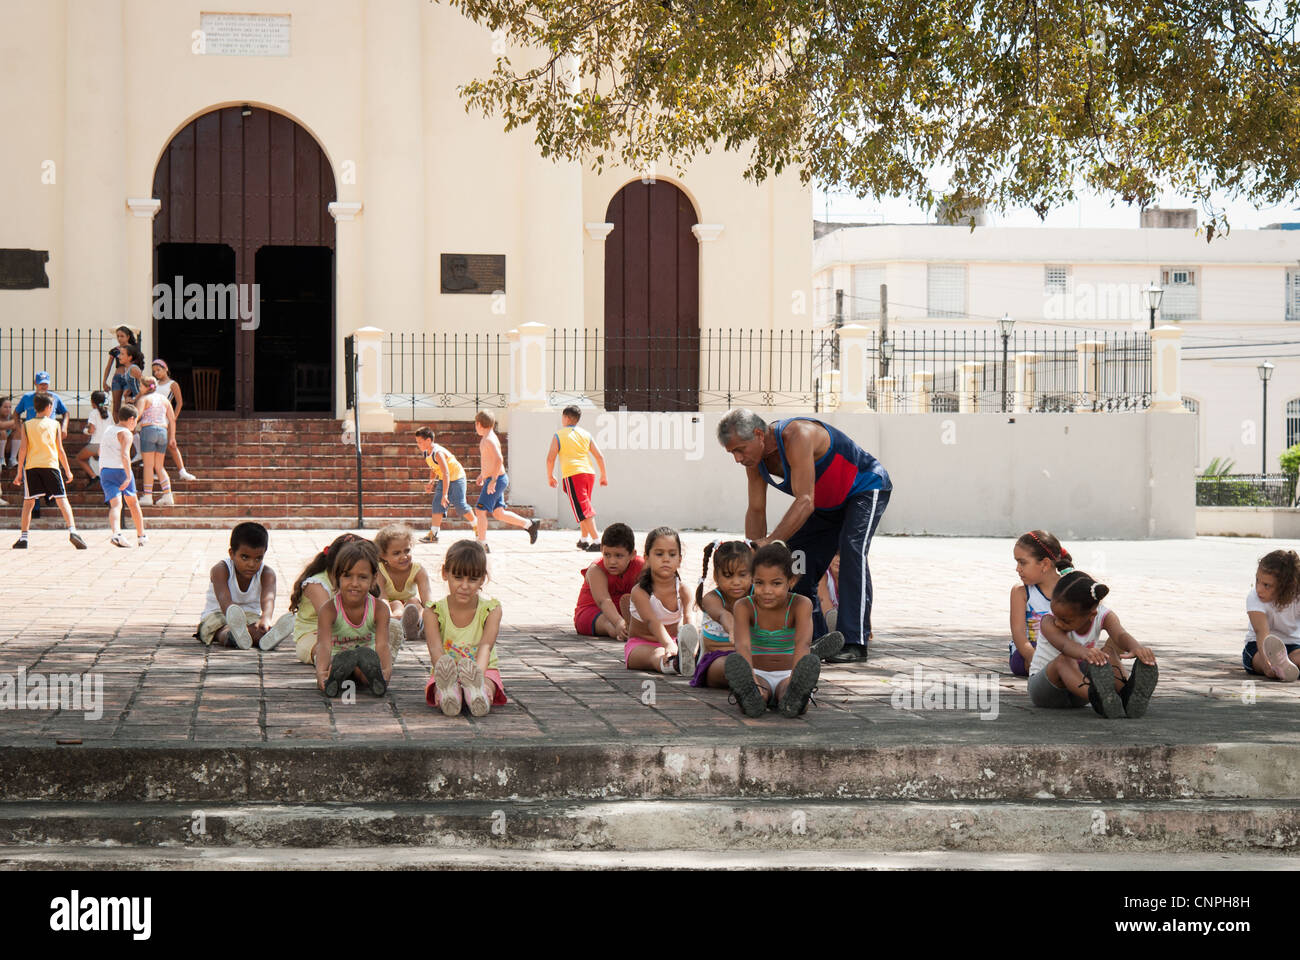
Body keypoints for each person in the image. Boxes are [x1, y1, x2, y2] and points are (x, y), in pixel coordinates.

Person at [717, 409, 890, 663]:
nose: (737, 458)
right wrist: (753, 553)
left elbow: (805, 501)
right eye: (732, 453)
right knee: (797, 560)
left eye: (740, 450)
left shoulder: (798, 435)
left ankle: (854, 641)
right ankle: (818, 637)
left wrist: (771, 541)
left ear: (758, 434)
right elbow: (756, 508)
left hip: (864, 488)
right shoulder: (755, 461)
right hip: (826, 505)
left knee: (852, 549)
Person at [1031, 570, 1158, 718]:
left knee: (1108, 654)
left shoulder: (1104, 615)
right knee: (1064, 659)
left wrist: (1136, 647)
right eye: (1055, 614)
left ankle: (1125, 695)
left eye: (1065, 620)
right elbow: (1065, 645)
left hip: (1079, 689)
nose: (1058, 623)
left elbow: (1120, 634)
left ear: (1092, 614)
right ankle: (1099, 699)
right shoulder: (1048, 621)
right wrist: (1085, 652)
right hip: (1045, 690)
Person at [724, 542, 823, 717]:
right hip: (757, 673)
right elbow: (743, 646)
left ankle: (796, 696)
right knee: (758, 695)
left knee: (788, 692)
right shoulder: (744, 606)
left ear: (791, 581)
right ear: (752, 579)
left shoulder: (801, 605)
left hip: (788, 674)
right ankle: (751, 696)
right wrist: (753, 681)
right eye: (759, 583)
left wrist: (794, 680)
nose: (767, 590)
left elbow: (803, 644)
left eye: (776, 583)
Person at [426, 539, 508, 717]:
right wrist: (449, 675)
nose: (464, 586)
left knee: (488, 684)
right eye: (458, 577)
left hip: (483, 669)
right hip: (446, 672)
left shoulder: (491, 610)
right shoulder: (433, 611)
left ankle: (478, 693)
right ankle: (450, 693)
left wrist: (478, 677)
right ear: (445, 573)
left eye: (472, 579)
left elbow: (486, 646)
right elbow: (435, 650)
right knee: (439, 686)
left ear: (482, 579)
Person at [194, 522, 294, 651]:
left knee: (258, 629)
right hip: (218, 614)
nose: (251, 564)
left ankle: (266, 637)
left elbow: (268, 599)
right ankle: (233, 636)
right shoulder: (221, 569)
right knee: (221, 630)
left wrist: (265, 619)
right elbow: (224, 599)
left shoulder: (267, 574)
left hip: (250, 616)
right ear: (231, 553)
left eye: (258, 558)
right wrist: (233, 619)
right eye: (245, 557)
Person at [315, 539, 392, 697]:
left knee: (364, 670)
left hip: (366, 658)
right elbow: (324, 646)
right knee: (334, 668)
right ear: (337, 577)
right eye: (348, 576)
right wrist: (321, 673)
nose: (354, 583)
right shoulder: (329, 610)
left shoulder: (380, 609)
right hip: (336, 658)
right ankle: (333, 678)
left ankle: (373, 678)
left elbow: (383, 645)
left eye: (362, 577)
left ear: (373, 578)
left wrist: (386, 672)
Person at [12, 392, 85, 550]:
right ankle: (73, 531)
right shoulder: (55, 425)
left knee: (28, 503)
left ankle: (24, 537)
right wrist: (67, 470)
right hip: (51, 466)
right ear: (49, 407)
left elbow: (23, 450)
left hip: (31, 467)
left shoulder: (26, 425)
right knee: (62, 499)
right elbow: (60, 450)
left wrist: (19, 472)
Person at [289, 533, 369, 667]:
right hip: (314, 636)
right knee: (326, 649)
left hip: (347, 635)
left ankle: (362, 666)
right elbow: (331, 620)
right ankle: (335, 664)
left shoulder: (356, 583)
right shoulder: (317, 584)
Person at [623, 526, 694, 675]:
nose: (666, 559)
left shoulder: (684, 590)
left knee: (689, 650)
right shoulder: (640, 591)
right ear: (647, 558)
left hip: (674, 643)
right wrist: (668, 645)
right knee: (657, 654)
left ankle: (690, 659)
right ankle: (673, 664)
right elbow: (651, 621)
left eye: (672, 554)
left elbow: (689, 621)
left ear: (679, 559)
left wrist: (692, 646)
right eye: (659, 554)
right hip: (640, 646)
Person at [472, 410, 540, 553]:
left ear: (478, 424)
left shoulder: (489, 439)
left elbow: (498, 460)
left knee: (480, 510)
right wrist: (482, 475)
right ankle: (530, 525)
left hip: (496, 480)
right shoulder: (488, 437)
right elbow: (490, 461)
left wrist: (493, 480)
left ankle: (482, 543)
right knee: (498, 513)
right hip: (495, 478)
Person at [690, 539, 754, 689]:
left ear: (752, 574)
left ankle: (773, 688)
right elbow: (723, 615)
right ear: (716, 576)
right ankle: (749, 682)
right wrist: (733, 629)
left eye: (742, 575)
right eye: (728, 575)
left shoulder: (756, 596)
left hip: (751, 657)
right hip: (717, 658)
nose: (736, 582)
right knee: (730, 665)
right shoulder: (711, 599)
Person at [1009, 530, 1073, 676]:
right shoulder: (1021, 591)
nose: (1017, 569)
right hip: (1027, 653)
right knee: (1059, 665)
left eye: (1022, 563)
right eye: (1017, 562)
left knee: (1073, 659)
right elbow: (1019, 635)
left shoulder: (1069, 587)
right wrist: (1034, 659)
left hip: (1062, 649)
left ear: (1044, 564)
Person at [546, 405, 609, 551]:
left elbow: (550, 458)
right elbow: (599, 456)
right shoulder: (586, 434)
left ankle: (597, 541)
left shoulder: (559, 435)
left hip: (573, 474)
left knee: (584, 509)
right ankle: (584, 539)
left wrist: (550, 476)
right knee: (583, 506)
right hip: (589, 474)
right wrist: (603, 475)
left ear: (566, 418)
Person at [573, 522, 644, 638]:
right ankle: (623, 632)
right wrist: (619, 623)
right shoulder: (596, 570)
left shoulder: (641, 566)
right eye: (607, 555)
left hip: (624, 611)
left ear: (632, 554)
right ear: (601, 550)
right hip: (593, 611)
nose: (612, 561)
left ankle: (635, 628)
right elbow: (603, 601)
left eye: (619, 556)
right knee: (608, 623)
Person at [1243, 549, 1300, 682]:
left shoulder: (1297, 597)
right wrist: (1266, 664)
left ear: (1286, 587)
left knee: (1297, 658)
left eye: (1266, 585)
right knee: (1258, 662)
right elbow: (1261, 632)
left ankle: (1285, 667)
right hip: (1258, 646)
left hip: (1292, 646)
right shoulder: (1254, 598)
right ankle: (1277, 668)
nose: (1259, 589)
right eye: (1257, 580)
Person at [98, 403, 146, 548]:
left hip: (105, 470)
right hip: (120, 470)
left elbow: (100, 452)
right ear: (131, 419)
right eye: (136, 421)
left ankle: (116, 533)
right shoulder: (126, 433)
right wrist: (128, 476)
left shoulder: (108, 430)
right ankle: (141, 536)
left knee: (115, 505)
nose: (135, 424)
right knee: (133, 503)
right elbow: (125, 455)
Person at [375, 523, 428, 653]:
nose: (404, 556)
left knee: (415, 602)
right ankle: (397, 624)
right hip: (390, 608)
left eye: (407, 550)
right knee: (397, 604)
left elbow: (428, 601)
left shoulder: (418, 570)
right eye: (396, 553)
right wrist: (389, 617)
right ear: (383, 555)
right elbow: (383, 599)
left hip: (411, 607)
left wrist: (433, 615)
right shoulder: (380, 571)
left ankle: (422, 625)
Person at [413, 426, 471, 544]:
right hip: (444, 478)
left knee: (460, 505)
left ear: (428, 441)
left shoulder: (438, 453)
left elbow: (446, 473)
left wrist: (445, 494)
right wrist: (431, 482)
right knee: (437, 503)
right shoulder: (426, 453)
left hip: (457, 478)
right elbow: (434, 468)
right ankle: (433, 534)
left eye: (420, 442)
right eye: (417, 442)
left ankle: (477, 527)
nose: (418, 444)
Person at [149, 359, 197, 481]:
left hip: (166, 418)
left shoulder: (173, 384)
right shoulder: (154, 384)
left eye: (158, 370)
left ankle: (182, 471)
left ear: (166, 369)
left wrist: (173, 418)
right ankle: (156, 471)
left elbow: (179, 402)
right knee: (155, 445)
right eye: (154, 371)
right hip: (153, 417)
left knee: (171, 444)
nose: (156, 373)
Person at [133, 377, 176, 506]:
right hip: (163, 432)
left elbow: (138, 415)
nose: (139, 389)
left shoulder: (144, 399)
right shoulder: (165, 400)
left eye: (141, 386)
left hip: (148, 430)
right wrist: (172, 437)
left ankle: (147, 496)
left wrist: (131, 428)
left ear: (146, 387)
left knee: (148, 465)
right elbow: (172, 419)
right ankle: (168, 495)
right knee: (159, 466)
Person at [14, 372, 70, 439]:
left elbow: (65, 413)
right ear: (35, 383)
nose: (43, 386)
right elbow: (16, 413)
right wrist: (20, 430)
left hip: (49, 433)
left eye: (45, 384)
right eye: (41, 384)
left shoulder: (54, 398)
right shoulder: (27, 397)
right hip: (31, 433)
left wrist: (64, 427)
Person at [102, 326, 141, 417]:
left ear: (128, 337)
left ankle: (129, 426)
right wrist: (104, 381)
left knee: (129, 403)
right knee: (116, 406)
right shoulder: (115, 350)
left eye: (122, 336)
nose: (119, 338)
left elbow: (139, 365)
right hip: (117, 378)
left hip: (129, 378)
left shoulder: (133, 349)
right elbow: (108, 366)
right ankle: (117, 427)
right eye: (118, 336)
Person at [76, 390, 111, 489]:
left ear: (92, 402)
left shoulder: (93, 413)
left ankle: (93, 476)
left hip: (96, 444)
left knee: (80, 458)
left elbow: (91, 430)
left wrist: (85, 431)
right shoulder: (109, 413)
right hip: (107, 444)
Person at [816, 553, 840, 634]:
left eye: (843, 555)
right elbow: (823, 601)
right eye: (835, 554)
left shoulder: (852, 578)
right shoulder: (824, 574)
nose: (838, 560)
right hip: (825, 620)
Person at [0, 396, 19, 474]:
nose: (8, 409)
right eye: (5, 407)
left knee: (18, 431)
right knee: (2, 432)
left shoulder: (10, 416)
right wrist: (15, 422)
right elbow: (1, 425)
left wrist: (14, 422)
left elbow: (18, 425)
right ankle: (1, 459)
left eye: (10, 407)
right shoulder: (12, 419)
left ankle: (13, 459)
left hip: (7, 446)